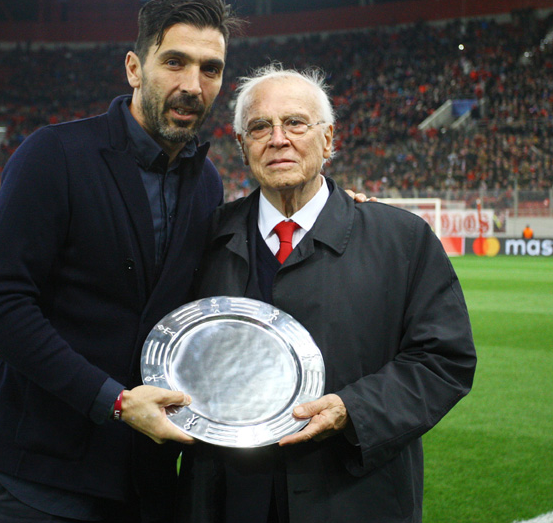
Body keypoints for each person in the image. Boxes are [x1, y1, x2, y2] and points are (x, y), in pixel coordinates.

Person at [0, 0, 244, 523]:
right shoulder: (54, 155)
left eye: (210, 69)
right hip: (39, 476)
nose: (193, 85)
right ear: (134, 68)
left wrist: (332, 206)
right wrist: (113, 401)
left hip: (145, 481)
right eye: (175, 62)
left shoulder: (206, 181)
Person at [177, 64, 477, 523]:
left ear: (328, 139)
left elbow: (444, 360)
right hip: (227, 499)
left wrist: (351, 409)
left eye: (296, 123)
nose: (278, 139)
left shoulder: (401, 239)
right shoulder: (203, 239)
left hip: (353, 497)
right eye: (260, 127)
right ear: (242, 145)